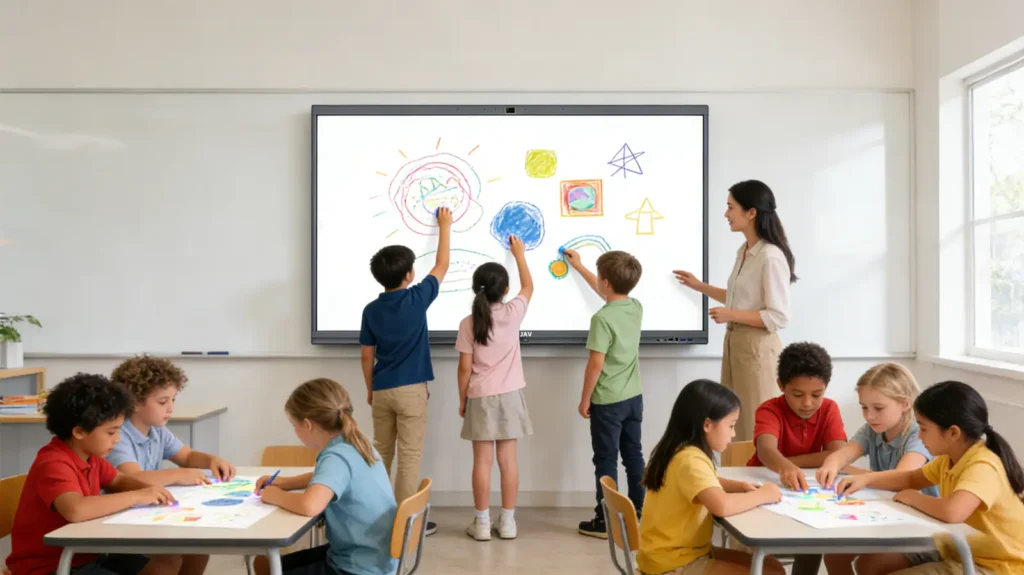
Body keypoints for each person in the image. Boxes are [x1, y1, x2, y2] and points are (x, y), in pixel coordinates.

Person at [837, 381, 1024, 575]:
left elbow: (953, 512)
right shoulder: (948, 459)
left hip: (995, 565)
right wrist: (867, 479)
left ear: (953, 433)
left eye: (924, 429)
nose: (919, 436)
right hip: (957, 548)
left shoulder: (983, 465)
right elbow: (910, 479)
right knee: (869, 565)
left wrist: (912, 497)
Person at [6, 374, 176, 575]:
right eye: (111, 432)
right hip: (50, 566)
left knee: (166, 563)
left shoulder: (91, 456)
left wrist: (150, 490)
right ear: (79, 432)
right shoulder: (53, 462)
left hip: (86, 554)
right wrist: (139, 496)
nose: (117, 439)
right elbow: (76, 509)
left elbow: (118, 480)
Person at [673, 180, 797, 441]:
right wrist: (700, 286)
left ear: (751, 212)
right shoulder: (744, 251)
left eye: (731, 207)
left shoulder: (770, 256)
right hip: (735, 347)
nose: (726, 214)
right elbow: (739, 297)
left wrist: (731, 315)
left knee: (754, 426)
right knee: (732, 425)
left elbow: (778, 316)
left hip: (757, 350)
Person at [360, 207, 451, 535]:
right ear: (410, 274)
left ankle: (376, 517)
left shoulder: (371, 310)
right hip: (412, 390)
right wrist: (445, 226)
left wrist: (370, 388)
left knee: (380, 453)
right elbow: (442, 265)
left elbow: (366, 355)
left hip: (382, 389)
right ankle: (405, 524)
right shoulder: (416, 298)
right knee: (409, 456)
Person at [637, 379, 786, 575]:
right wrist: (764, 494)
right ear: (707, 425)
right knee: (772, 573)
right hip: (674, 563)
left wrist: (739, 486)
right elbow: (722, 506)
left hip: (668, 555)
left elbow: (705, 481)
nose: (733, 434)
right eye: (731, 425)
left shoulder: (679, 450)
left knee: (773, 568)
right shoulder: (690, 460)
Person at [107, 355, 239, 575]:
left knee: (198, 551)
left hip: (144, 515)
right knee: (167, 563)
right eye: (162, 402)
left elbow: (186, 456)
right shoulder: (117, 435)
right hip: (118, 524)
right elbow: (131, 479)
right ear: (134, 403)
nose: (170, 408)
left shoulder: (156, 429)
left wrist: (211, 460)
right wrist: (177, 474)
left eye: (172, 400)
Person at [253, 378, 399, 575]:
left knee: (266, 566)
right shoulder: (354, 442)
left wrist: (275, 495)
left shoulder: (336, 456)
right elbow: (327, 478)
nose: (295, 431)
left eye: (294, 425)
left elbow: (310, 505)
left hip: (357, 568)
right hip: (373, 557)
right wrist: (286, 483)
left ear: (307, 424)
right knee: (266, 565)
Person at [816, 363, 936, 575]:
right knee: (834, 554)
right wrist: (831, 464)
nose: (869, 416)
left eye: (878, 408)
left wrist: (863, 476)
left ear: (905, 404)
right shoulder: (872, 430)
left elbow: (903, 477)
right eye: (864, 407)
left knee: (870, 565)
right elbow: (843, 454)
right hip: (889, 517)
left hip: (925, 527)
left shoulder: (919, 433)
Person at [563, 249, 644, 539]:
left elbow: (595, 364)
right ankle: (639, 512)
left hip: (608, 401)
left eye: (599, 277)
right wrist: (580, 267)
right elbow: (609, 295)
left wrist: (585, 399)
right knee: (633, 456)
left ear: (606, 282)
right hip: (633, 398)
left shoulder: (601, 319)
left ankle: (605, 520)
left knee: (606, 460)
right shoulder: (635, 306)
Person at [456, 236, 534, 541]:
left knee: (482, 462)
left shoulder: (468, 322)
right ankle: (509, 522)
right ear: (505, 290)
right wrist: (519, 255)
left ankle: (482, 524)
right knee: (508, 461)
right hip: (511, 396)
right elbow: (528, 286)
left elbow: (464, 368)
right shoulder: (513, 312)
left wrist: (463, 400)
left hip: (480, 396)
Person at [748, 342, 846, 575]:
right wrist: (786, 466)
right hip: (762, 487)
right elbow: (766, 450)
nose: (807, 403)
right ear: (781, 385)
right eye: (798, 394)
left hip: (806, 491)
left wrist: (791, 464)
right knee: (763, 550)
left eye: (817, 395)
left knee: (814, 533)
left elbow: (838, 453)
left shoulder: (829, 409)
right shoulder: (769, 410)